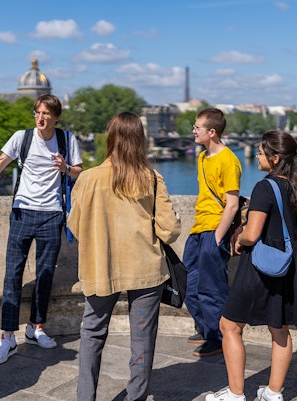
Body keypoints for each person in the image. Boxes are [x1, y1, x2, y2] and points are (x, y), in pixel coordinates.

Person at [67, 112, 181, 401]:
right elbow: (169, 230)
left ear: (110, 138)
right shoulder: (151, 178)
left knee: (92, 333)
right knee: (142, 340)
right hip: (144, 266)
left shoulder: (88, 179)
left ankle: (85, 397)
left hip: (100, 265)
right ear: (140, 140)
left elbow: (75, 226)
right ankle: (135, 397)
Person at [206, 130, 297, 401]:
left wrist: (239, 239)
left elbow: (252, 234)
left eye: (262, 153)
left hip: (260, 266)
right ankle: (274, 393)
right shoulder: (296, 187)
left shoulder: (265, 187)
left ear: (275, 159)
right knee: (280, 330)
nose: (258, 157)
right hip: (288, 266)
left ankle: (235, 393)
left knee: (229, 326)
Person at [0, 94, 83, 365]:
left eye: (46, 114)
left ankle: (36, 327)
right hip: (22, 212)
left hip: (52, 214)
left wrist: (66, 168)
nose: (41, 118)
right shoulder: (22, 137)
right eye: (37, 113)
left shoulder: (67, 139)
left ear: (56, 117)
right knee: (12, 274)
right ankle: (7, 337)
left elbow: (79, 172)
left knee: (45, 274)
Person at [183, 108, 242, 357]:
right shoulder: (203, 156)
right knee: (188, 282)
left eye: (197, 127)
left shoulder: (229, 161)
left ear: (212, 131)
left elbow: (233, 203)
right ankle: (207, 328)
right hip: (198, 227)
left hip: (213, 229)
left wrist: (218, 236)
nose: (193, 131)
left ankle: (218, 338)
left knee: (212, 287)